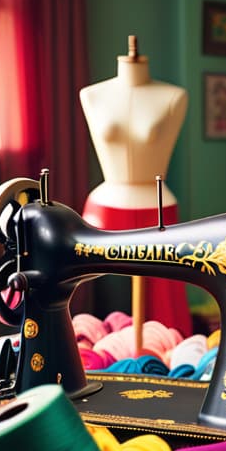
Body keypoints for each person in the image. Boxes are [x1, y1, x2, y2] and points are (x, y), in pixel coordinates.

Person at [80, 35, 191, 336]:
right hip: (104, 207)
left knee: (164, 316)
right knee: (88, 307)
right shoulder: (92, 95)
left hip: (156, 205)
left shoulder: (173, 96)